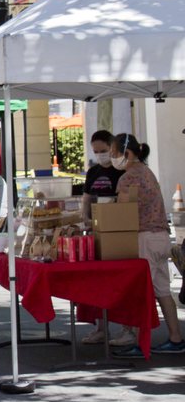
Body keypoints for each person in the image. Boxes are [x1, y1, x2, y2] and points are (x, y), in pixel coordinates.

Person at [109, 134, 185, 356]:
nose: (112, 158)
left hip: (144, 238)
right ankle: (176, 338)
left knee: (141, 292)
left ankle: (138, 342)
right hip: (161, 236)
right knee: (162, 290)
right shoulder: (147, 172)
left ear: (127, 153)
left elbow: (121, 211)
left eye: (114, 154)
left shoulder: (128, 177)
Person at [80, 130, 128, 345]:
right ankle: (101, 328)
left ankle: (127, 329)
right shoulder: (93, 171)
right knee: (98, 282)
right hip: (96, 230)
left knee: (121, 282)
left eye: (103, 150)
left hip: (118, 231)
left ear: (112, 148)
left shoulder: (122, 172)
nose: (100, 155)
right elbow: (87, 198)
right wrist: (85, 218)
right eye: (96, 151)